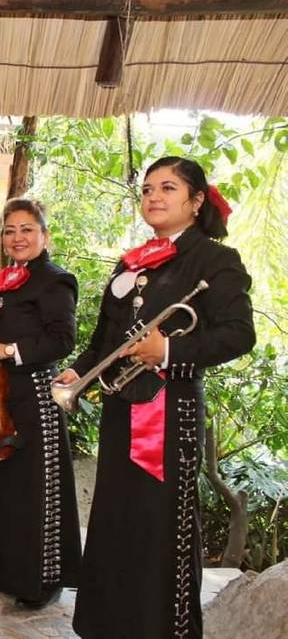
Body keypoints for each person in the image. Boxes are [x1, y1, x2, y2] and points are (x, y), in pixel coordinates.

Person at [55, 157, 255, 638]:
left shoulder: (214, 259)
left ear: (196, 200)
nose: (154, 197)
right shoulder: (133, 262)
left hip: (172, 411)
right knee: (116, 519)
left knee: (160, 525)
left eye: (168, 187)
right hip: (123, 409)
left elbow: (239, 335)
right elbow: (107, 340)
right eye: (147, 189)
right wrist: (78, 372)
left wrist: (169, 349)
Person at [0, 198, 81, 607]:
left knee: (36, 489)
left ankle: (42, 582)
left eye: (27, 229)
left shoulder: (56, 280)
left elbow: (62, 340)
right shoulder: (1, 283)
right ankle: (4, 570)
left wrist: (7, 350)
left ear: (44, 235)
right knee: (5, 487)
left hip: (35, 397)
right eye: (10, 230)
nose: (17, 238)